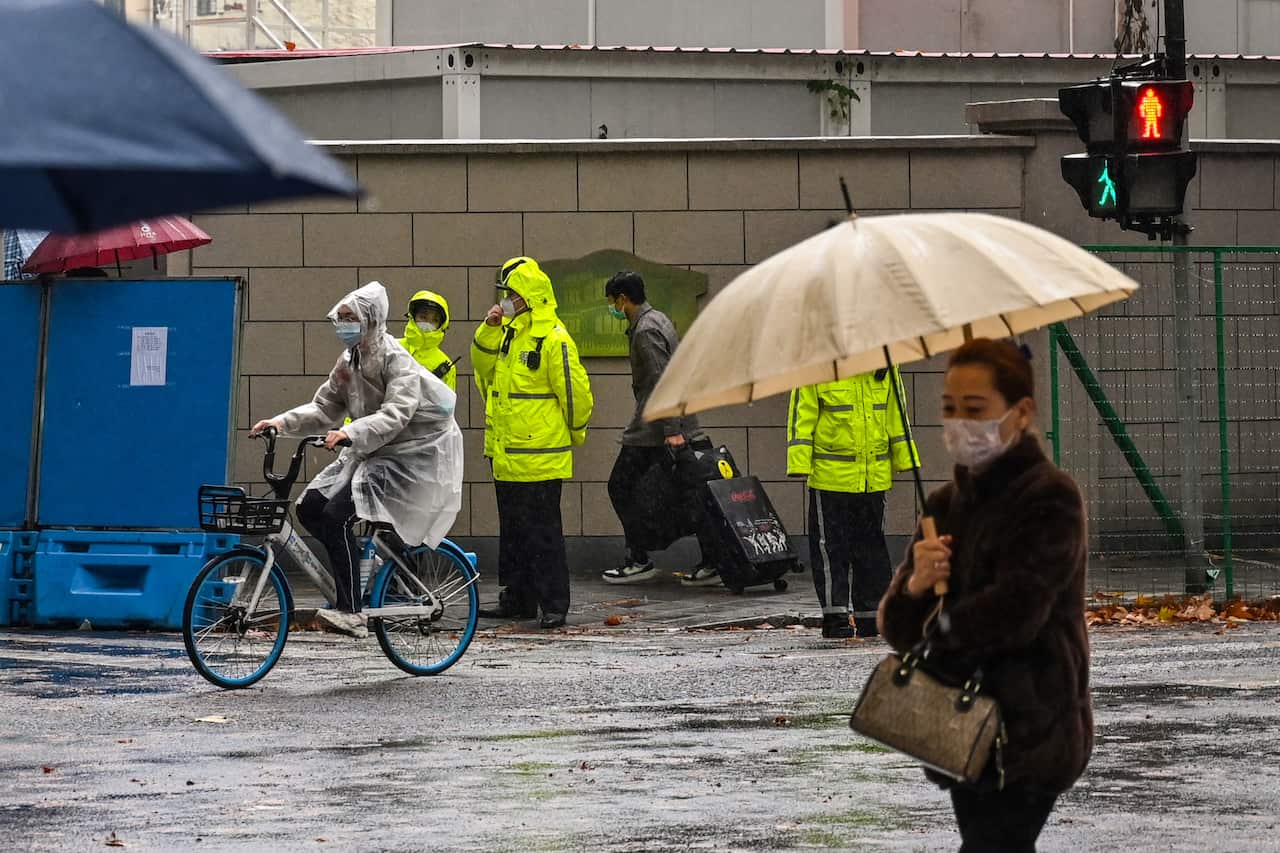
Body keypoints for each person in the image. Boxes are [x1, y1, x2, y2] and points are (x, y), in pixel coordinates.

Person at [878, 339, 1092, 853]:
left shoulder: (1050, 498)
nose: (960, 424)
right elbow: (897, 629)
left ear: (1021, 413)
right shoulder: (944, 505)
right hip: (960, 727)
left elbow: (1017, 611)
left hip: (1032, 730)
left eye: (975, 410)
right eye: (949, 409)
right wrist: (915, 587)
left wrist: (938, 637)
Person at [251, 281, 463, 638]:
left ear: (370, 319)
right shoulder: (350, 360)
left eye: (351, 317)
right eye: (341, 317)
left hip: (409, 456)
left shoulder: (397, 360)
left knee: (336, 517)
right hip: (370, 449)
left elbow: (398, 412)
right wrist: (280, 422)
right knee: (309, 509)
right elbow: (324, 407)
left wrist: (351, 433)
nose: (343, 324)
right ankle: (351, 578)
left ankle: (352, 611)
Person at [472, 257, 593, 629]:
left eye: (512, 294)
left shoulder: (554, 339)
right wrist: (491, 328)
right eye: (505, 294)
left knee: (543, 535)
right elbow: (483, 369)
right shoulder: (508, 333)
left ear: (530, 297)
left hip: (540, 458)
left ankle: (553, 603)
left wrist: (573, 433)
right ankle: (518, 599)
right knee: (513, 534)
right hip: (507, 456)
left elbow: (577, 397)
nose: (507, 300)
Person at [599, 270, 720, 588]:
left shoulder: (645, 331)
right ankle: (712, 559)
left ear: (623, 299)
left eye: (612, 302)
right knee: (692, 493)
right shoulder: (659, 320)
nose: (612, 308)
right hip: (672, 425)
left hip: (655, 430)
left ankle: (639, 558)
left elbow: (660, 381)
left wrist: (671, 431)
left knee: (620, 486)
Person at [787, 368, 917, 639]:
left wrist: (907, 459)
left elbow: (897, 415)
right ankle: (835, 617)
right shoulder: (817, 367)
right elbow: (803, 415)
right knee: (831, 550)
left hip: (873, 479)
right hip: (830, 479)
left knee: (872, 549)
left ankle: (871, 617)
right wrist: (798, 462)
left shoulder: (884, 367)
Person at [398, 289, 458, 392]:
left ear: (441, 326)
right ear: (412, 316)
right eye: (423, 317)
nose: (427, 323)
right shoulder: (393, 347)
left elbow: (446, 406)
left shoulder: (445, 364)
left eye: (434, 320)